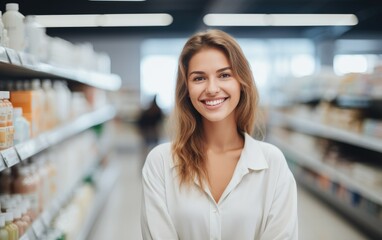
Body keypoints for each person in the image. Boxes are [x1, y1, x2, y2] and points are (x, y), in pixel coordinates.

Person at [141, 29, 298, 240]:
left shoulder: (272, 163)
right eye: (199, 78)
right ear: (186, 89)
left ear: (242, 83)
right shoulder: (160, 162)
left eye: (224, 75)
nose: (212, 89)